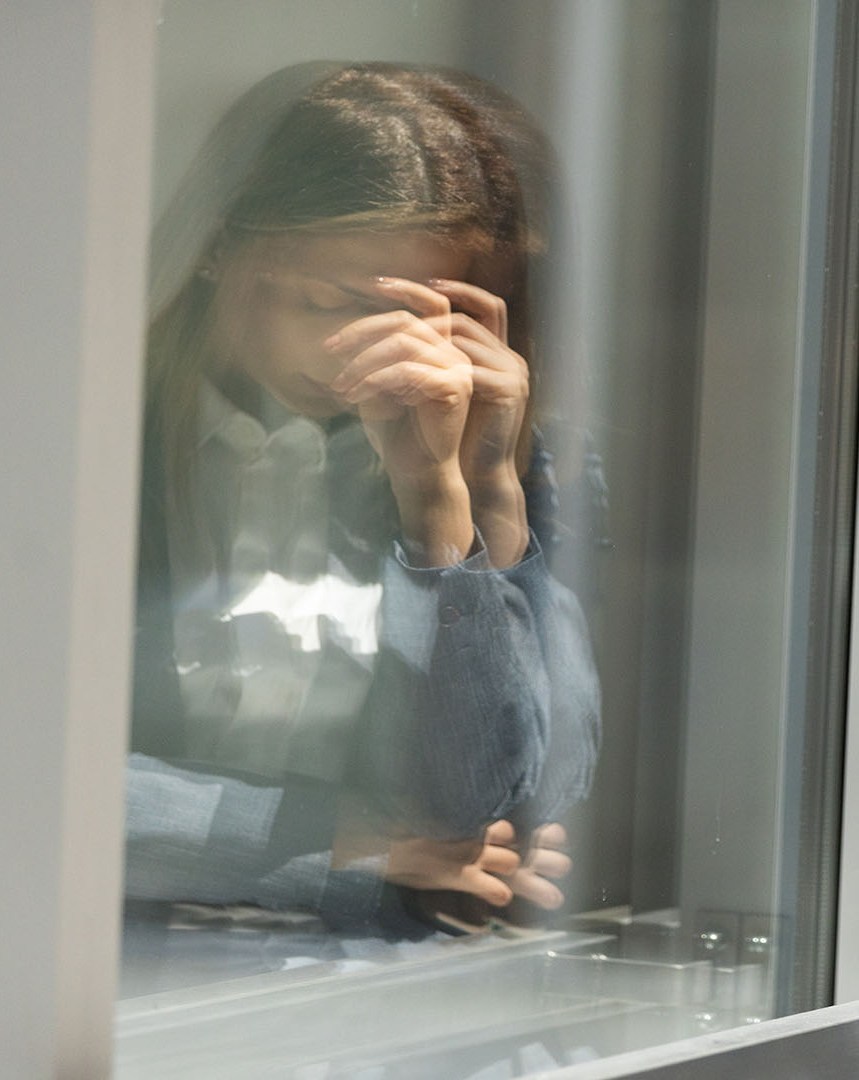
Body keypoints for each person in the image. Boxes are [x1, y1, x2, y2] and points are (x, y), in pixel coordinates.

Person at [122, 61, 599, 961]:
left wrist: (466, 500)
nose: (367, 352)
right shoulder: (97, 444)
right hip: (126, 978)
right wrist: (346, 842)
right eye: (327, 301)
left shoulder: (503, 452)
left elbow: (507, 804)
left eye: (424, 315)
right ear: (222, 245)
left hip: (379, 994)